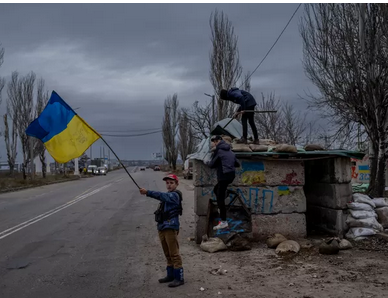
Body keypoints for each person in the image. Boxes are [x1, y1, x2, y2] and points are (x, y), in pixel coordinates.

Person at [139, 174, 184, 288]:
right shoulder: (168, 194)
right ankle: (170, 275)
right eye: (167, 183)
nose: (169, 185)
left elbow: (161, 196)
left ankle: (179, 278)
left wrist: (148, 192)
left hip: (171, 227)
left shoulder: (175, 195)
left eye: (171, 183)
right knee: (167, 253)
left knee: (174, 253)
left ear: (176, 184)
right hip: (162, 227)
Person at [206, 135, 240, 230]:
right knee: (216, 189)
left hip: (223, 176)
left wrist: (206, 162)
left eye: (215, 142)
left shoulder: (218, 150)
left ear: (218, 141)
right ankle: (221, 208)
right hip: (230, 176)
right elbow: (237, 164)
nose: (214, 143)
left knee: (220, 197)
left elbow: (212, 164)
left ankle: (224, 221)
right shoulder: (230, 151)